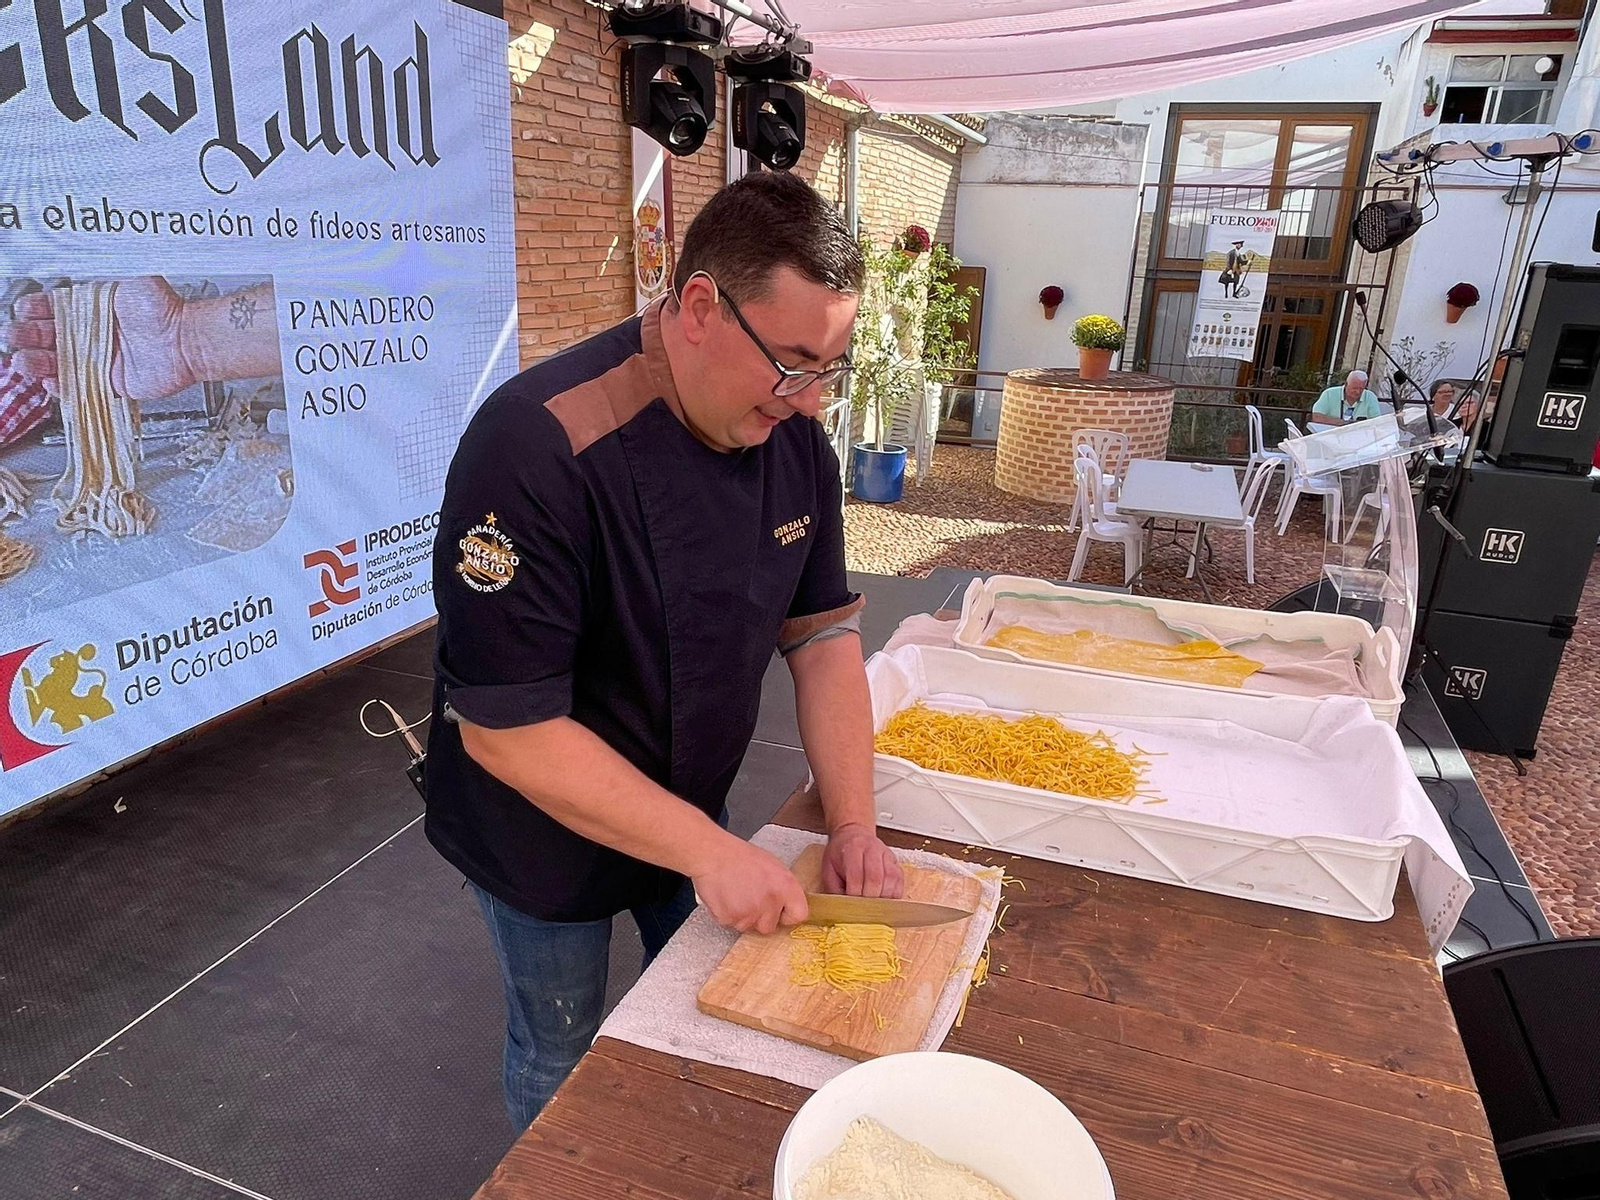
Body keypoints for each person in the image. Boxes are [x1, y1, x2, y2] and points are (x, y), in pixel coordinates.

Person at [424, 171, 906, 1130]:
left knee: (702, 1012)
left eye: (831, 369)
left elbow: (823, 638)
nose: (812, 402)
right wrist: (711, 853)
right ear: (700, 309)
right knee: (559, 1047)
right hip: (539, 825)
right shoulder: (534, 445)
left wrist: (853, 823)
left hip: (692, 795)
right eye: (793, 364)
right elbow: (509, 730)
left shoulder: (793, 441)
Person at [1311, 370, 1382, 425]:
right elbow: (1316, 417)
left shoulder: (1370, 397)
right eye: (1354, 388)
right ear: (1346, 384)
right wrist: (1344, 423)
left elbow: (1377, 422)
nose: (1358, 392)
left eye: (1361, 389)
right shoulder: (1329, 394)